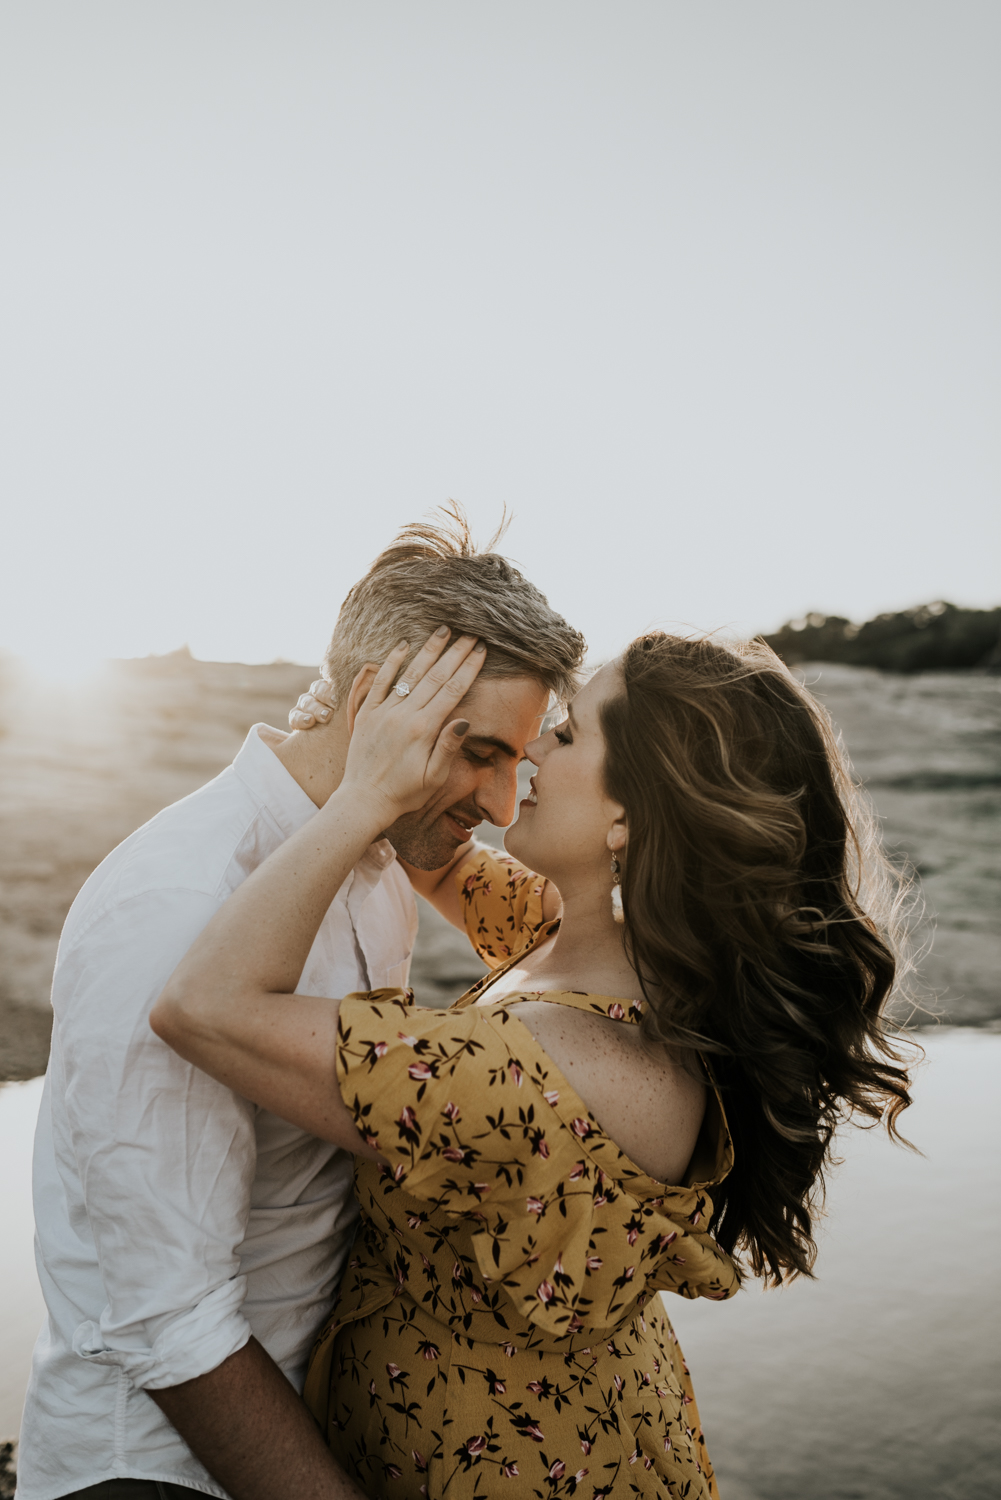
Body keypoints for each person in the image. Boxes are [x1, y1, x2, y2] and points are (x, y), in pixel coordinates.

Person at [150, 625, 915, 1499]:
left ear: (625, 815)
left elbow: (206, 1008)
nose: (533, 747)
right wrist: (390, 730)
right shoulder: (589, 942)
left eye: (567, 732)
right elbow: (442, 863)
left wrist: (359, 798)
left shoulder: (549, 1065)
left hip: (530, 1470)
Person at [18, 506, 585, 1500]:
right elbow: (167, 1320)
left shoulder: (377, 863)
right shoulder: (176, 904)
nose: (498, 806)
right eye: (478, 751)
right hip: (162, 1470)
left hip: (313, 1417)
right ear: (377, 705)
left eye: (518, 763)